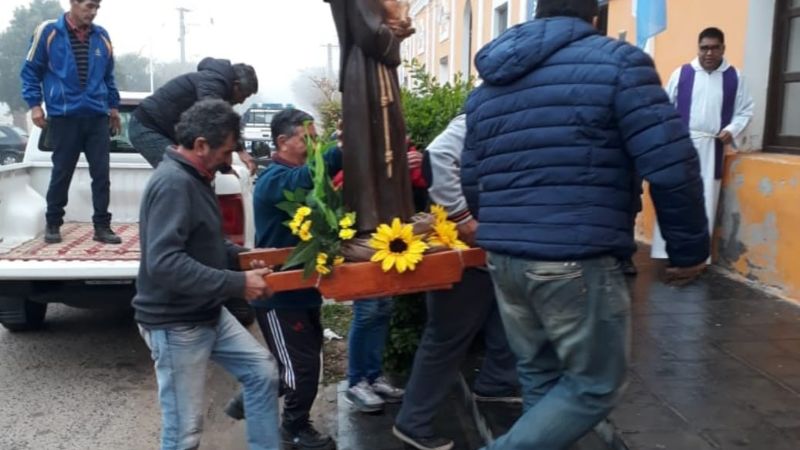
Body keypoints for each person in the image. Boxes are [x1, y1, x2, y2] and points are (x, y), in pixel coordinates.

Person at [460, 0, 710, 448]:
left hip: (506, 257)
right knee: (595, 387)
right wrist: (689, 250)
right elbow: (672, 165)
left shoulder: (488, 87)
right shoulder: (619, 63)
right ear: (595, 14)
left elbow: (473, 177)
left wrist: (506, 227)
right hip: (574, 259)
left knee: (540, 376)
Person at [132, 99, 280, 450]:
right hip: (176, 323)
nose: (230, 161)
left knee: (262, 373)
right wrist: (238, 283)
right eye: (227, 152)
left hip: (206, 312)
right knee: (183, 433)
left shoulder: (197, 177)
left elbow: (208, 243)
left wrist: (244, 258)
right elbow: (165, 263)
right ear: (200, 145)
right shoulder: (173, 184)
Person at [393, 114, 520, 450]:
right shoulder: (477, 117)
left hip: (494, 244)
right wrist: (464, 220)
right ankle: (413, 422)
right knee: (446, 336)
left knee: (504, 314)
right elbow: (437, 157)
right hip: (466, 244)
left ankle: (497, 383)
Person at [227, 108, 339, 450]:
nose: (314, 145)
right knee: (301, 368)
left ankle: (250, 398)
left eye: (316, 138)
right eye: (307, 139)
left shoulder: (302, 174)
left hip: (304, 291)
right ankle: (293, 428)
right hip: (278, 296)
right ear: (282, 142)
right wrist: (343, 147)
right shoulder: (274, 178)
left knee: (299, 360)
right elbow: (303, 179)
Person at [20, 0, 122, 245]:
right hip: (65, 117)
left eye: (97, 7)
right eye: (89, 6)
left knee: (101, 174)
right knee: (62, 173)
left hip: (97, 117)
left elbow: (109, 76)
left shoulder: (102, 36)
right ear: (73, 3)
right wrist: (35, 105)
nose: (93, 12)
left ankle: (102, 227)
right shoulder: (49, 32)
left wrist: (114, 107)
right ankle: (53, 223)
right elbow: (30, 71)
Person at [651, 27, 755, 262]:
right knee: (675, 198)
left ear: (723, 48)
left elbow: (745, 110)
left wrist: (731, 130)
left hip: (712, 148)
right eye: (704, 47)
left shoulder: (735, 77)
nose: (709, 53)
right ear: (698, 48)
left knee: (704, 202)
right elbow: (665, 107)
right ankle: (666, 251)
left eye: (714, 47)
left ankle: (696, 258)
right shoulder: (682, 74)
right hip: (682, 146)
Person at [325, 0, 416, 233]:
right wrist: (396, 31)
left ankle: (383, 216)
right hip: (370, 70)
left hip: (368, 68)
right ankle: (379, 219)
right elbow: (369, 33)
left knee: (378, 141)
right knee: (377, 142)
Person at [128, 57, 259, 173]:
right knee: (179, 173)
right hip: (148, 126)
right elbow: (215, 118)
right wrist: (239, 150)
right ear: (236, 85)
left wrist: (225, 168)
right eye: (244, 96)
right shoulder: (213, 82)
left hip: (165, 130)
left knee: (199, 172)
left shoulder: (215, 84)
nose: (242, 102)